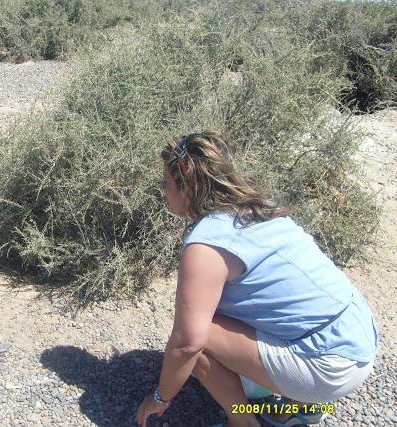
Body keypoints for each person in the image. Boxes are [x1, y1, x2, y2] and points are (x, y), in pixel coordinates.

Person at [135, 131, 379, 427]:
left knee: (196, 339)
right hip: (359, 336)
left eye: (166, 184)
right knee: (219, 308)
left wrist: (161, 397)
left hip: (329, 367)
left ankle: (244, 422)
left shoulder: (206, 246)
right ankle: (300, 406)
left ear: (187, 188)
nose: (163, 192)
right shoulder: (261, 209)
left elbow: (186, 344)